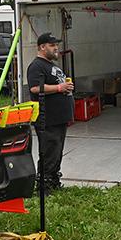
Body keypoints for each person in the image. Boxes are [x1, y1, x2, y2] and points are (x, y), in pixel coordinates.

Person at [27, 33, 74, 191]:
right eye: (52, 45)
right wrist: (59, 87)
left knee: (56, 152)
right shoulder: (36, 66)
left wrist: (65, 87)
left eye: (56, 45)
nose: (56, 48)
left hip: (59, 118)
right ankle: (44, 186)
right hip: (47, 119)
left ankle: (54, 181)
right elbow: (34, 88)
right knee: (48, 152)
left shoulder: (51, 65)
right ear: (42, 47)